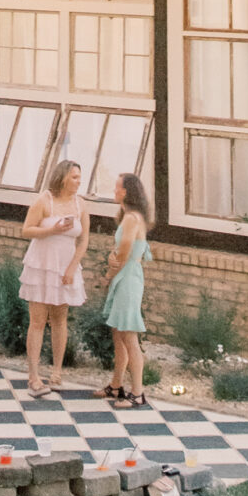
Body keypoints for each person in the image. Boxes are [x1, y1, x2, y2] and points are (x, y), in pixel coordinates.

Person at [19, 158, 90, 397]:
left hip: (65, 266)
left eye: (79, 177)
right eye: (74, 177)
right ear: (62, 178)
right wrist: (51, 229)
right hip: (41, 265)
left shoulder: (80, 205)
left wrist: (73, 267)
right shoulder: (44, 201)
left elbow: (83, 240)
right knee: (38, 320)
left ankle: (57, 372)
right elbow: (27, 229)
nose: (78, 182)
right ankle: (33, 375)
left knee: (60, 319)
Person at [102, 172, 153, 407]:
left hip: (128, 278)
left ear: (126, 191)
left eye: (117, 187)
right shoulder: (128, 216)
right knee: (118, 333)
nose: (114, 191)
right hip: (125, 277)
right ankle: (116, 385)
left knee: (129, 335)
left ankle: (138, 392)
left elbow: (123, 251)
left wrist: (109, 272)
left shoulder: (132, 218)